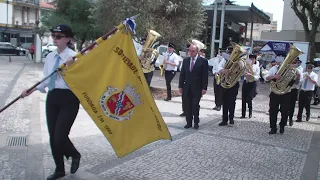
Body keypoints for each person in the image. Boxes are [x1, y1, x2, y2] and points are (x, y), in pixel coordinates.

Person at [21, 24, 81, 180]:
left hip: (69, 98)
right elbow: (46, 79)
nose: (55, 38)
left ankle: (74, 154)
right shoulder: (50, 57)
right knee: (52, 135)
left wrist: (70, 68)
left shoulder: (75, 57)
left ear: (68, 39)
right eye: (54, 35)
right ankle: (59, 169)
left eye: (58, 36)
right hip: (53, 97)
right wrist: (31, 89)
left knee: (60, 135)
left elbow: (82, 81)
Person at [264, 59, 298, 134]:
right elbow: (266, 77)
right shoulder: (274, 68)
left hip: (286, 93)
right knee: (272, 111)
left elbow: (297, 83)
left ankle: (282, 125)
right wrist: (274, 76)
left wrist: (297, 77)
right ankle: (273, 127)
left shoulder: (292, 70)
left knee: (285, 111)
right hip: (274, 93)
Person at [178, 44, 208, 129]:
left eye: (193, 51)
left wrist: (204, 88)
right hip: (187, 87)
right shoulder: (186, 60)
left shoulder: (203, 61)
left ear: (197, 51)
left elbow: (205, 76)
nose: (190, 52)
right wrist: (180, 86)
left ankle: (196, 122)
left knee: (195, 105)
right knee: (187, 106)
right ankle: (188, 122)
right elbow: (182, 74)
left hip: (197, 88)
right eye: (189, 51)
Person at [217, 49, 240, 126]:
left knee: (232, 102)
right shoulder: (225, 59)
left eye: (233, 53)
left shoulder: (239, 61)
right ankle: (224, 119)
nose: (231, 55)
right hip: (225, 82)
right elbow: (218, 67)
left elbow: (243, 71)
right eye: (230, 53)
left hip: (234, 83)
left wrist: (234, 71)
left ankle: (231, 118)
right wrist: (224, 70)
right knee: (224, 102)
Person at [240, 54, 260, 119]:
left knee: (249, 99)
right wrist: (244, 72)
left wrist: (251, 75)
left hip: (252, 83)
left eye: (253, 59)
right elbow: (242, 73)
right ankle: (243, 114)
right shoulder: (246, 66)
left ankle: (250, 113)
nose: (251, 60)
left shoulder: (256, 67)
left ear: (255, 60)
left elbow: (257, 77)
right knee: (243, 99)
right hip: (246, 82)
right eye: (250, 59)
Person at [287, 57, 303, 126]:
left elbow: (298, 83)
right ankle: (284, 119)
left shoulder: (298, 71)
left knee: (292, 106)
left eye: (294, 63)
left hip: (294, 90)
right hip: (286, 90)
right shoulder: (287, 70)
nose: (293, 64)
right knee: (285, 105)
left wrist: (298, 78)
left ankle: (290, 118)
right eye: (292, 63)